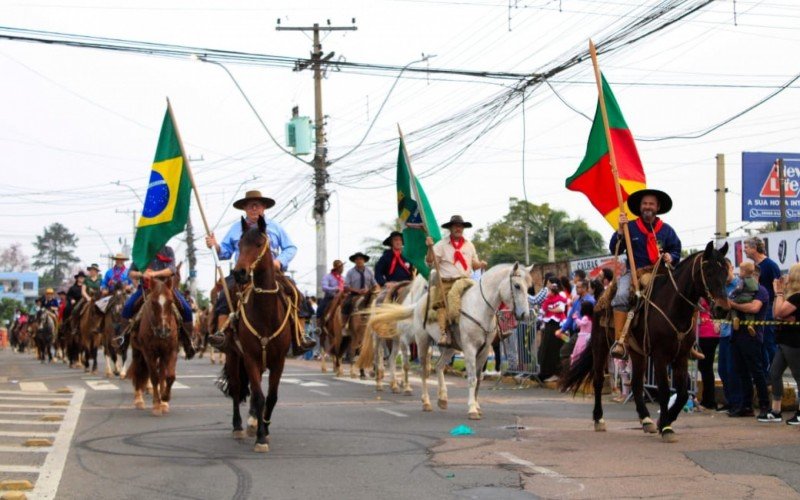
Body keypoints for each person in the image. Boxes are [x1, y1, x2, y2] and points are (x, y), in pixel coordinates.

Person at [204, 189, 314, 354]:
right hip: (243, 274)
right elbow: (225, 251)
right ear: (245, 209)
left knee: (297, 294)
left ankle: (301, 336)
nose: (254, 208)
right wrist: (215, 245)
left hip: (272, 274)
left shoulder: (275, 227)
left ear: (264, 208)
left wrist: (279, 261)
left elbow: (290, 248)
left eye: (257, 205)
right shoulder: (236, 229)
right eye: (250, 206)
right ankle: (221, 335)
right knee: (224, 295)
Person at [608, 188, 682, 359]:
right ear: (640, 207)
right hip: (634, 272)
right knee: (620, 296)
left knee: (683, 294)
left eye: (651, 204)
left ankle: (687, 341)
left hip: (660, 273)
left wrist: (672, 256)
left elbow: (676, 250)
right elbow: (614, 249)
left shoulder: (667, 230)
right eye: (645, 203)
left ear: (657, 207)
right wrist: (620, 230)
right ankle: (620, 341)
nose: (648, 206)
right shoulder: (630, 227)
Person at [120, 245, 195, 359]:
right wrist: (142, 274)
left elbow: (172, 269)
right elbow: (131, 272)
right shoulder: (142, 252)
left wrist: (154, 274)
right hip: (146, 288)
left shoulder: (168, 250)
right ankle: (123, 340)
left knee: (187, 309)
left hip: (167, 288)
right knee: (127, 307)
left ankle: (188, 342)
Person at [425, 215, 488, 347]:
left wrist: (480, 264)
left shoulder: (469, 245)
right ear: (450, 228)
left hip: (466, 281)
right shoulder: (441, 245)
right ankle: (444, 333)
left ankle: (490, 329)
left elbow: (474, 264)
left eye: (460, 226)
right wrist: (430, 248)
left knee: (483, 298)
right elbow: (430, 262)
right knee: (441, 303)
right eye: (455, 226)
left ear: (463, 228)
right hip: (446, 282)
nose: (458, 228)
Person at [727, 265, 770, 419]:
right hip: (737, 336)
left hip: (752, 338)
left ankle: (764, 405)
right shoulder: (739, 291)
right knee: (741, 372)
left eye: (746, 277)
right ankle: (746, 406)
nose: (743, 280)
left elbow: (753, 308)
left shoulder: (761, 291)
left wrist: (733, 305)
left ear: (754, 275)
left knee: (757, 372)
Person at [766, 264, 800, 424]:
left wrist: (779, 292)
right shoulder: (790, 296)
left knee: (798, 375)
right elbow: (776, 313)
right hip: (784, 339)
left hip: (794, 341)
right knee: (774, 373)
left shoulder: (797, 297)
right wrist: (778, 295)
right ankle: (776, 409)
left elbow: (779, 312)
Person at [744, 237, 781, 374]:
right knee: (760, 343)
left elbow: (778, 287)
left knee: (769, 342)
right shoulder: (754, 266)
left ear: (754, 248)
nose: (744, 249)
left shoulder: (770, 265)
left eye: (746, 246)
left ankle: (775, 373)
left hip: (769, 308)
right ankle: (766, 374)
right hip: (757, 310)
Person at [715, 258, 742, 414]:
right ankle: (730, 400)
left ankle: (738, 402)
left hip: (735, 332)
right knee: (722, 369)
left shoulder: (739, 285)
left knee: (733, 370)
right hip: (724, 333)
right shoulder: (721, 288)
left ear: (731, 268)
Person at [555, 280, 595, 365]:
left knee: (565, 352)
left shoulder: (590, 301)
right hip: (575, 333)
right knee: (569, 353)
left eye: (578, 287)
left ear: (584, 288)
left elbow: (592, 319)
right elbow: (570, 318)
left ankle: (571, 373)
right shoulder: (577, 301)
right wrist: (561, 330)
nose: (575, 289)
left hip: (585, 334)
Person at [538, 277, 567, 382]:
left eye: (549, 289)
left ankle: (555, 372)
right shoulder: (547, 300)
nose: (547, 291)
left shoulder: (561, 296)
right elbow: (542, 310)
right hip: (549, 325)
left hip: (557, 325)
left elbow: (561, 308)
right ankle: (544, 372)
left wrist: (550, 309)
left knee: (554, 349)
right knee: (546, 348)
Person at [696, 297, 719, 410]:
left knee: (706, 367)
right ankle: (707, 399)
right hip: (703, 333)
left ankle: (709, 400)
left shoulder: (707, 297)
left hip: (707, 334)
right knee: (704, 367)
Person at [342, 252, 377, 322]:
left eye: (361, 259)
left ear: (364, 260)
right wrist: (357, 290)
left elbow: (374, 284)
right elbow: (346, 286)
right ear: (354, 261)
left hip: (368, 294)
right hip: (354, 294)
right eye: (357, 259)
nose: (359, 261)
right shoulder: (350, 272)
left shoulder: (369, 271)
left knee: (379, 303)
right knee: (347, 305)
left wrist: (369, 290)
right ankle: (344, 324)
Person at [317, 260, 345, 325]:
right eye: (340, 267)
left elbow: (346, 286)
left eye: (342, 267)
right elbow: (324, 288)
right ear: (336, 268)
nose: (342, 268)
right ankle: (319, 325)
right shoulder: (327, 277)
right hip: (330, 297)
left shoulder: (343, 278)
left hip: (343, 297)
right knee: (320, 309)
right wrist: (335, 289)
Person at [570, 300, 595, 367]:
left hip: (583, 337)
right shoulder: (591, 318)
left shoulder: (585, 317)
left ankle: (574, 364)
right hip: (587, 336)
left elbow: (581, 323)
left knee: (578, 350)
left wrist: (575, 318)